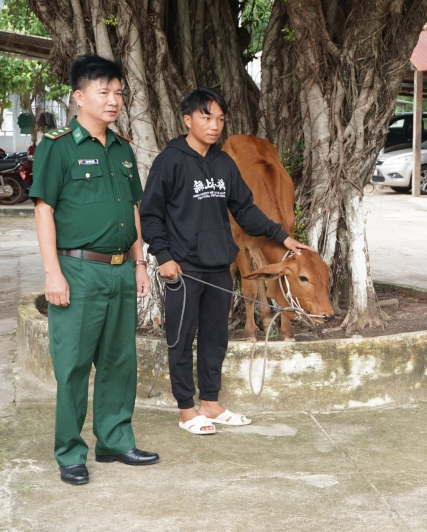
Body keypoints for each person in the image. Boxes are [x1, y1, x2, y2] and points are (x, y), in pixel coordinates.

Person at [140, 88, 311, 435]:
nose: (214, 125)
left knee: (216, 338)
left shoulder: (223, 163)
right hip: (183, 268)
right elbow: (150, 213)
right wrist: (163, 256)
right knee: (181, 337)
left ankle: (211, 404)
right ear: (188, 120)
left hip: (218, 267)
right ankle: (187, 409)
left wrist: (282, 236)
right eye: (206, 118)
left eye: (220, 119)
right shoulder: (170, 161)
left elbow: (246, 211)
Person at [30, 54, 159, 486]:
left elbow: (134, 211)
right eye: (103, 92)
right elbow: (44, 210)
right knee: (72, 365)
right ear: (79, 96)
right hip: (78, 270)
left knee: (119, 362)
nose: (113, 100)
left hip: (121, 270)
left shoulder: (123, 149)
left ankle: (115, 440)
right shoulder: (58, 145)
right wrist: (53, 273)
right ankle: (70, 451)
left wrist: (141, 264)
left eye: (118, 92)